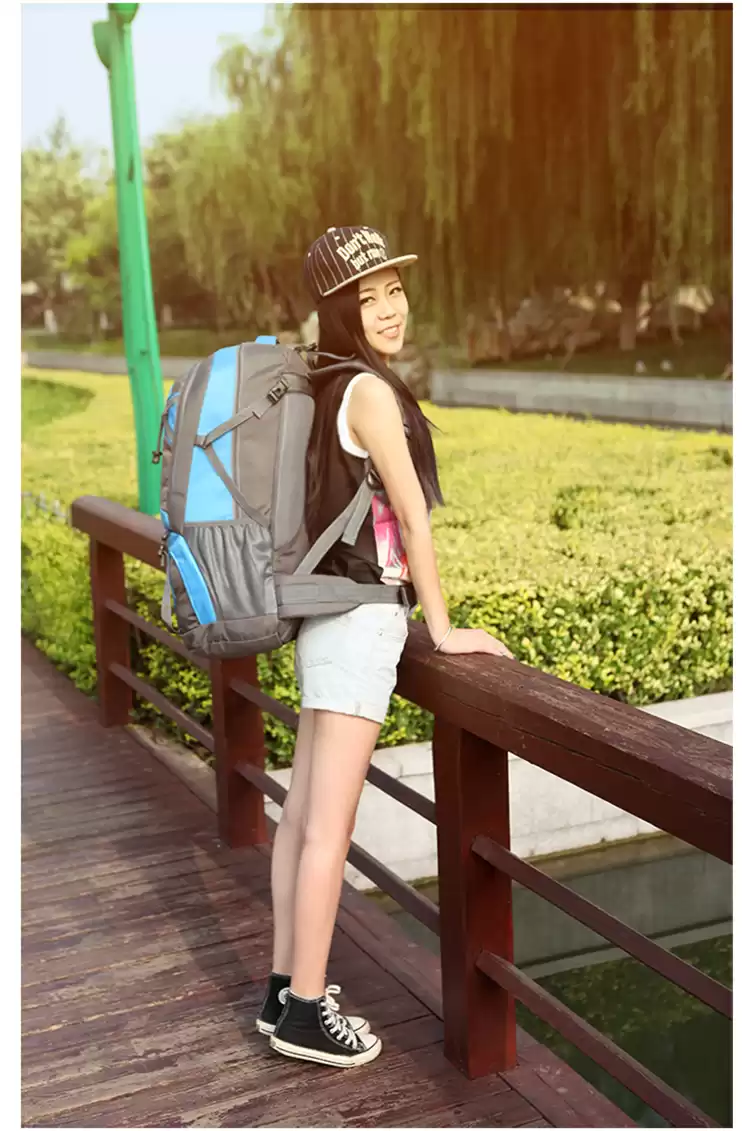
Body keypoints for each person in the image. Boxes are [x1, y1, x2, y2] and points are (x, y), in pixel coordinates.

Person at [255, 226, 513, 1068]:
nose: (391, 307)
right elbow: (411, 515)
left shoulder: (325, 380)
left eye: (394, 289)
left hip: (324, 620)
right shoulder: (367, 390)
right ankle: (305, 1010)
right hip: (362, 620)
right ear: (340, 311)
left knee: (302, 817)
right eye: (369, 298)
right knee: (328, 827)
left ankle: (283, 988)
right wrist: (442, 628)